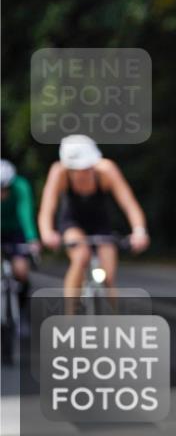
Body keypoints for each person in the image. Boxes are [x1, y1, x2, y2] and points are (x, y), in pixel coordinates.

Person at [37, 135, 149, 311]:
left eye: (87, 167)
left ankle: (114, 322)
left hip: (101, 225)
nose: (83, 172)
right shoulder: (59, 172)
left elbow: (129, 204)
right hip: (72, 222)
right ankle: (69, 318)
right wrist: (47, 233)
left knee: (109, 275)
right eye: (77, 168)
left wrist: (139, 231)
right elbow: (47, 208)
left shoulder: (107, 170)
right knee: (81, 256)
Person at [1, 158, 40, 358]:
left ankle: (21, 313)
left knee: (21, 271)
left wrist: (32, 239)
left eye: (5, 189)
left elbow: (26, 212)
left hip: (15, 232)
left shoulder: (20, 187)